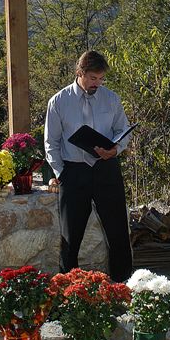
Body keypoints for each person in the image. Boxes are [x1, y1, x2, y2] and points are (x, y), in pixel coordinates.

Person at [45, 50, 133, 282]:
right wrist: (61, 172)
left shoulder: (111, 98)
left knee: (118, 232)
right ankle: (68, 288)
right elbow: (51, 142)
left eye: (101, 79)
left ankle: (123, 284)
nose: (98, 83)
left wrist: (115, 149)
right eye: (93, 78)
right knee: (70, 236)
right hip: (73, 171)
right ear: (79, 73)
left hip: (107, 169)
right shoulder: (59, 101)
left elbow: (122, 131)